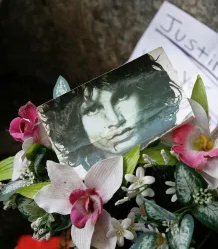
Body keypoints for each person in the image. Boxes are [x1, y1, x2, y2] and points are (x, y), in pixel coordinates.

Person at [39, 53, 182, 170]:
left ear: (144, 93)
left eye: (121, 96)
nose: (115, 119)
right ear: (75, 125)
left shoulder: (180, 145)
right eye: (93, 109)